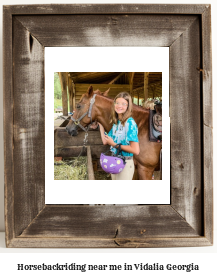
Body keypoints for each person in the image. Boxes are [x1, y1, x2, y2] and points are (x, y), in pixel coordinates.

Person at [98, 92, 140, 180]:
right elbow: (105, 141)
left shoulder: (130, 123)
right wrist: (101, 125)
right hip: (115, 162)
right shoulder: (116, 123)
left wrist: (114, 145)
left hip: (125, 163)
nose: (119, 106)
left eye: (124, 104)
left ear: (128, 106)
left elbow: (136, 150)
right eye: (117, 103)